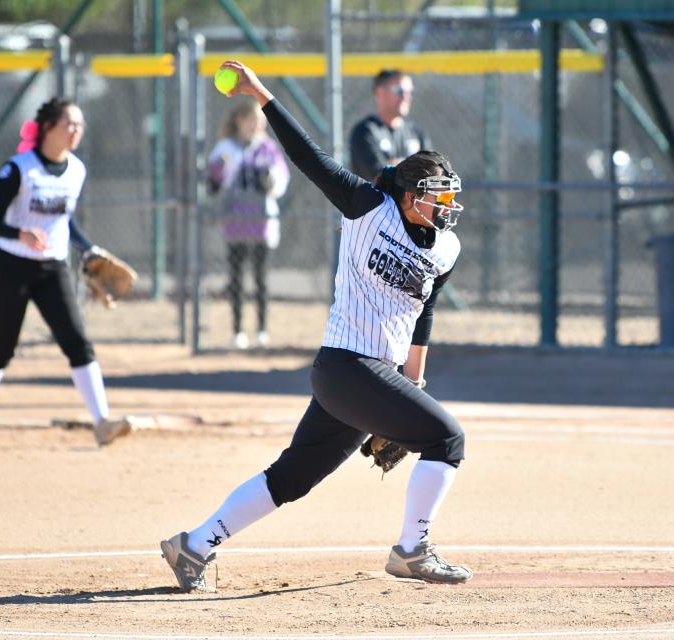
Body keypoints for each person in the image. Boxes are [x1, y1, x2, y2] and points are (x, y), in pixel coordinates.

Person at [160, 60, 470, 591]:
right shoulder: (369, 206)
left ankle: (193, 545)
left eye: (448, 195)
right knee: (447, 438)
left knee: (292, 479)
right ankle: (412, 550)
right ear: (409, 193)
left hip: (365, 377)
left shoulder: (445, 248)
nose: (445, 204)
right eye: (436, 194)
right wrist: (260, 93)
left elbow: (424, 318)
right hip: (348, 366)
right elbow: (308, 157)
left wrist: (411, 383)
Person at [0, 98, 132, 447]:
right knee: (1, 348)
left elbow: (64, 220)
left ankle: (102, 422)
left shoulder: (77, 170)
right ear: (49, 128)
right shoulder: (19, 169)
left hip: (53, 269)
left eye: (80, 125)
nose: (76, 131)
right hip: (11, 267)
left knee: (78, 342)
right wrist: (19, 233)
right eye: (69, 124)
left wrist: (89, 249)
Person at [208, 99, 291, 350]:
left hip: (261, 223)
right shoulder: (225, 147)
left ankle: (262, 330)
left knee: (260, 279)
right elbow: (214, 184)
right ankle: (237, 331)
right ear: (239, 120)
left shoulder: (268, 148)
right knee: (236, 280)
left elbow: (280, 180)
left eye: (260, 122)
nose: (256, 126)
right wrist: (218, 170)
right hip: (235, 222)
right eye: (251, 120)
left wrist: (270, 180)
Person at [349, 69, 432, 182]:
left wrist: (395, 166)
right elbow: (380, 177)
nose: (406, 97)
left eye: (410, 92)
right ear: (379, 92)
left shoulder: (416, 133)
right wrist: (413, 168)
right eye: (400, 91)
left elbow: (431, 172)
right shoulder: (365, 131)